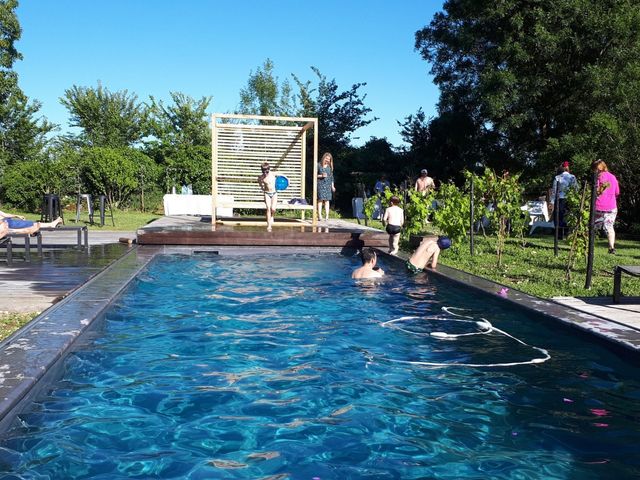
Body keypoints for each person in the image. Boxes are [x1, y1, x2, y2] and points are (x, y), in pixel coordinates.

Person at [592, 159, 620, 254]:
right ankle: (611, 247)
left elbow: (596, 191)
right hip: (611, 207)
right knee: (609, 227)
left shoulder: (598, 177)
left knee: (592, 226)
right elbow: (617, 192)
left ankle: (589, 245)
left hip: (598, 206)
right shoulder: (613, 177)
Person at [549, 161, 577, 239]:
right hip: (569, 199)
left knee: (558, 217)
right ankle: (568, 233)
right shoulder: (572, 177)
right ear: (568, 168)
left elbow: (554, 190)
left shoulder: (557, 177)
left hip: (559, 199)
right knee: (568, 216)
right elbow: (575, 189)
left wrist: (551, 201)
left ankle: (559, 234)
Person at [257, 162, 277, 231]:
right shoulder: (262, 177)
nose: (265, 173)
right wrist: (262, 187)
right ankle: (269, 225)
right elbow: (258, 180)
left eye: (267, 171)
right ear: (262, 171)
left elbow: (282, 175)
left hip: (274, 193)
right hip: (267, 193)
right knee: (268, 208)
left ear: (269, 169)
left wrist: (288, 181)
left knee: (273, 208)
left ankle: (272, 216)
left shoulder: (272, 174)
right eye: (263, 171)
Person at [317, 152, 335, 221]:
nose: (327, 160)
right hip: (320, 185)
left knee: (327, 201)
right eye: (326, 158)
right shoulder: (318, 165)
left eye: (329, 159)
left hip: (328, 185)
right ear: (324, 158)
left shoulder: (329, 168)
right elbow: (315, 175)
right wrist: (321, 175)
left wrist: (332, 186)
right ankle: (320, 215)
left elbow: (331, 178)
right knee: (320, 200)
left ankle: (327, 216)